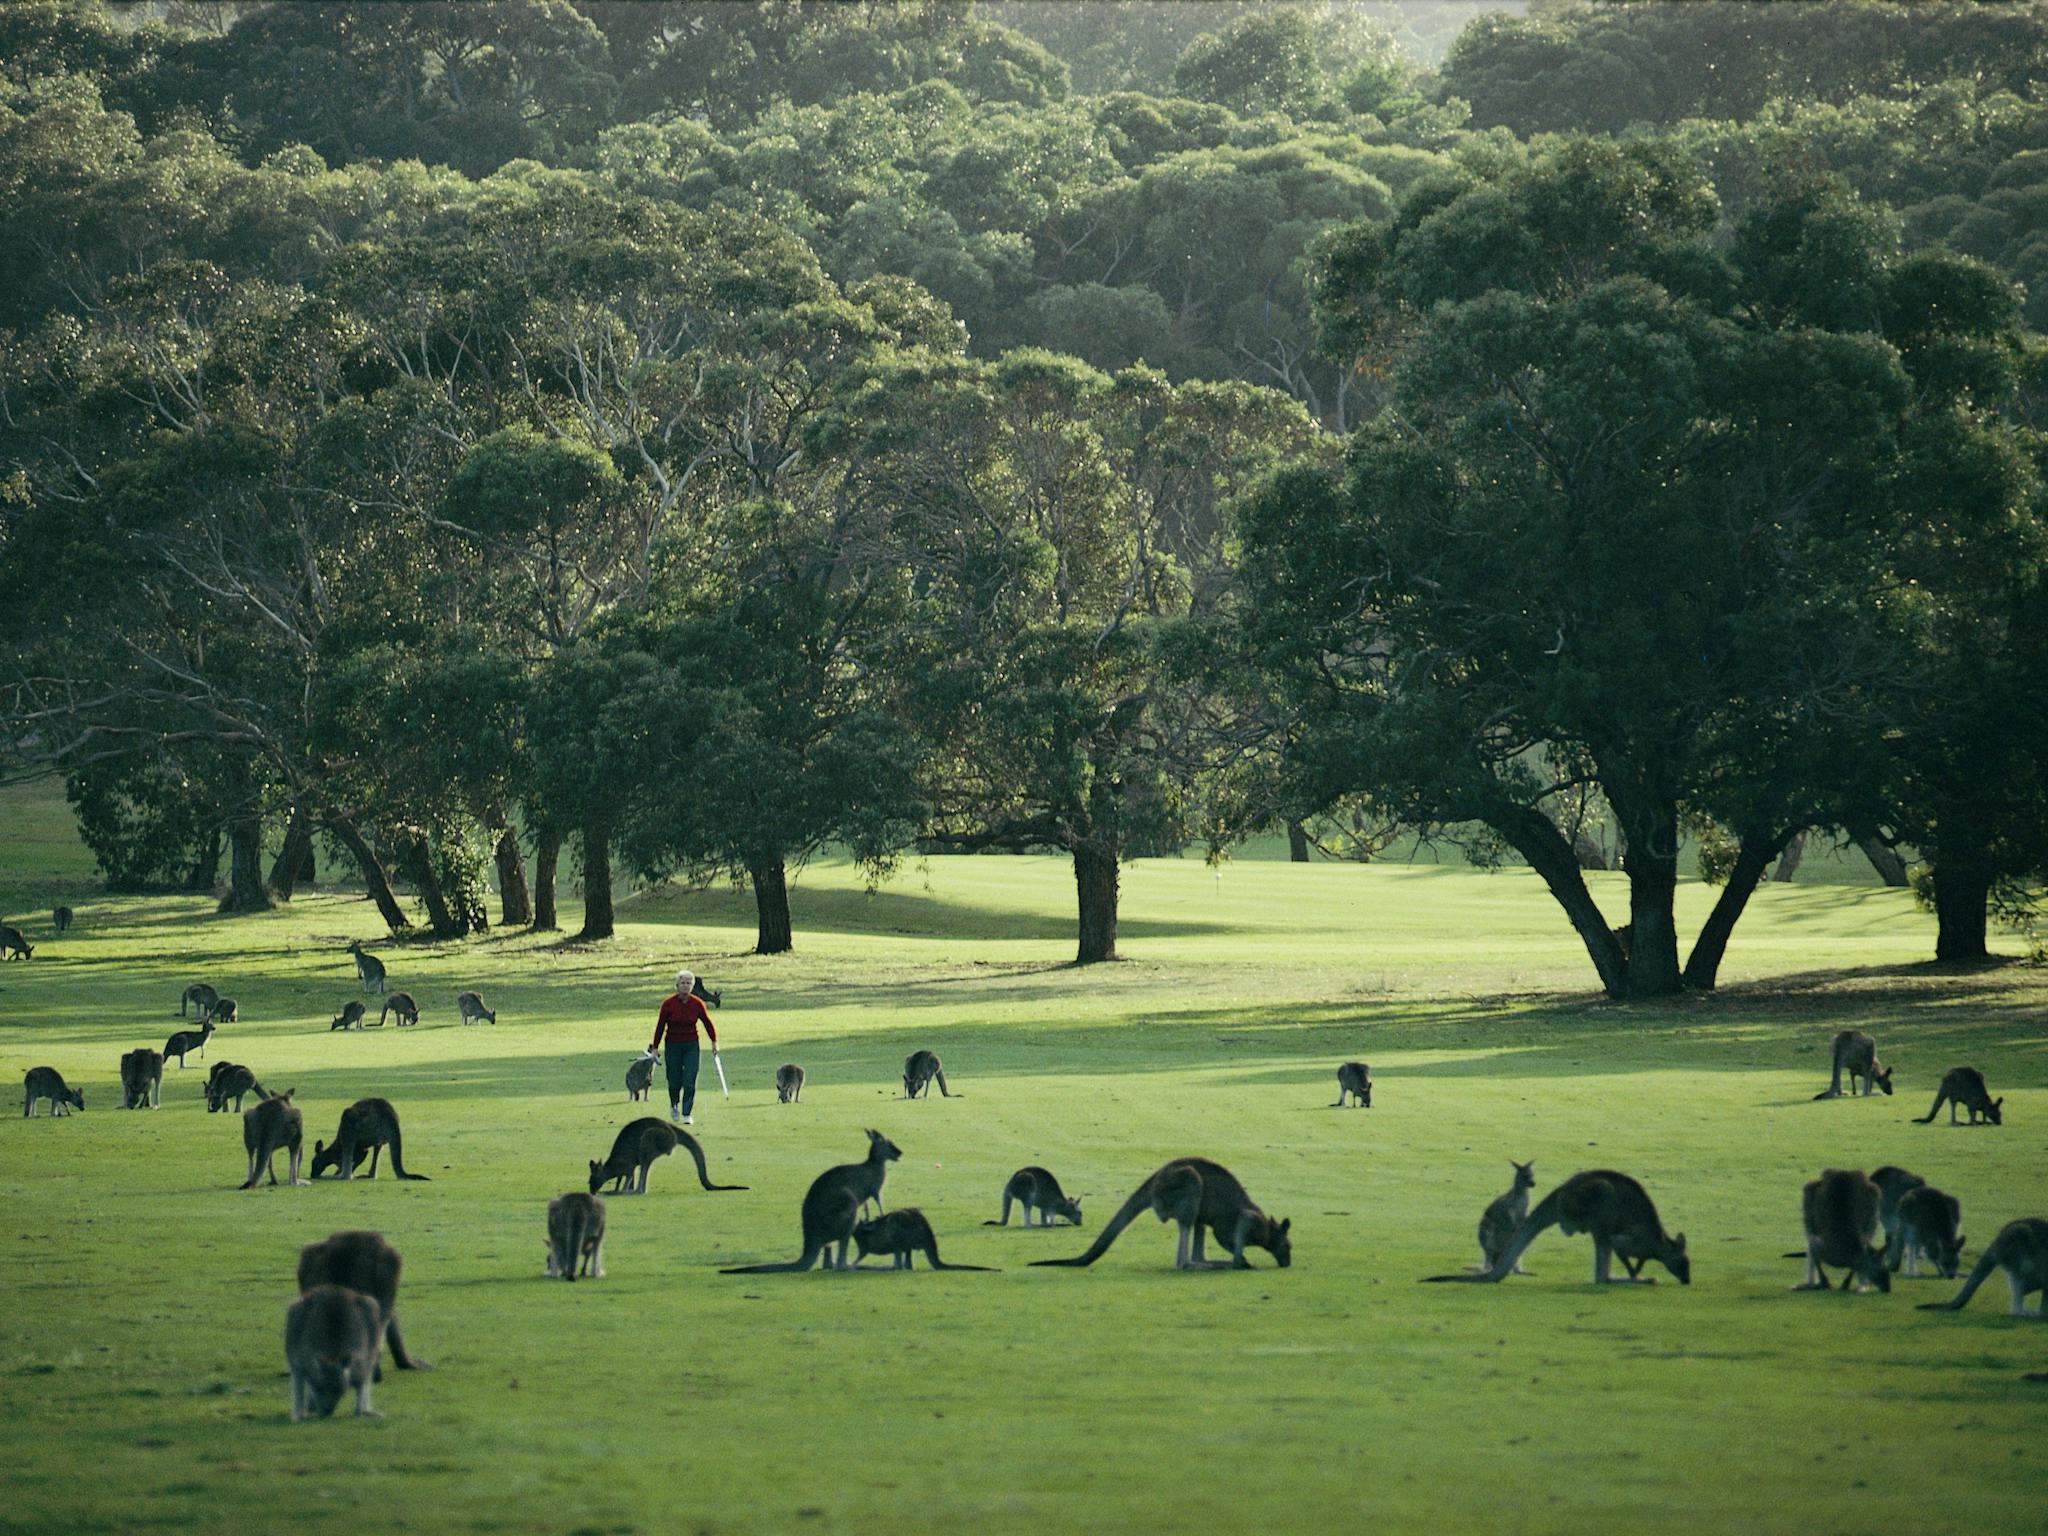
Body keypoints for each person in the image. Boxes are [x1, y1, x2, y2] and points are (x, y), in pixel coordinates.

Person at [649, 970, 719, 1125]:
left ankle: (687, 1113)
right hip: (672, 1045)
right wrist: (655, 1047)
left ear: (692, 986)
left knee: (690, 1080)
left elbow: (707, 1023)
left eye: (688, 983)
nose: (685, 986)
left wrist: (714, 1041)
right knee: (674, 1080)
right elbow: (660, 1026)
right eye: (683, 983)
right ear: (677, 985)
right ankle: (674, 1104)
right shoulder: (668, 1004)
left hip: (691, 1045)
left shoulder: (697, 1004)